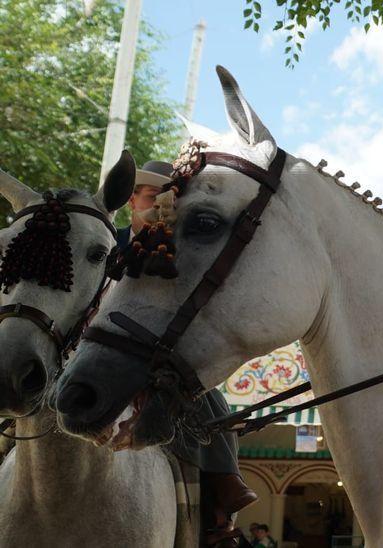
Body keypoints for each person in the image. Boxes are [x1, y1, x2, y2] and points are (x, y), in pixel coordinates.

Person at [117, 160, 259, 545]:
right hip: (103, 351)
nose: (157, 206)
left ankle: (219, 498)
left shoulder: (179, 251)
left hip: (157, 361)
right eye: (150, 196)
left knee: (210, 400)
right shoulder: (107, 244)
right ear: (132, 199)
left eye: (165, 200)